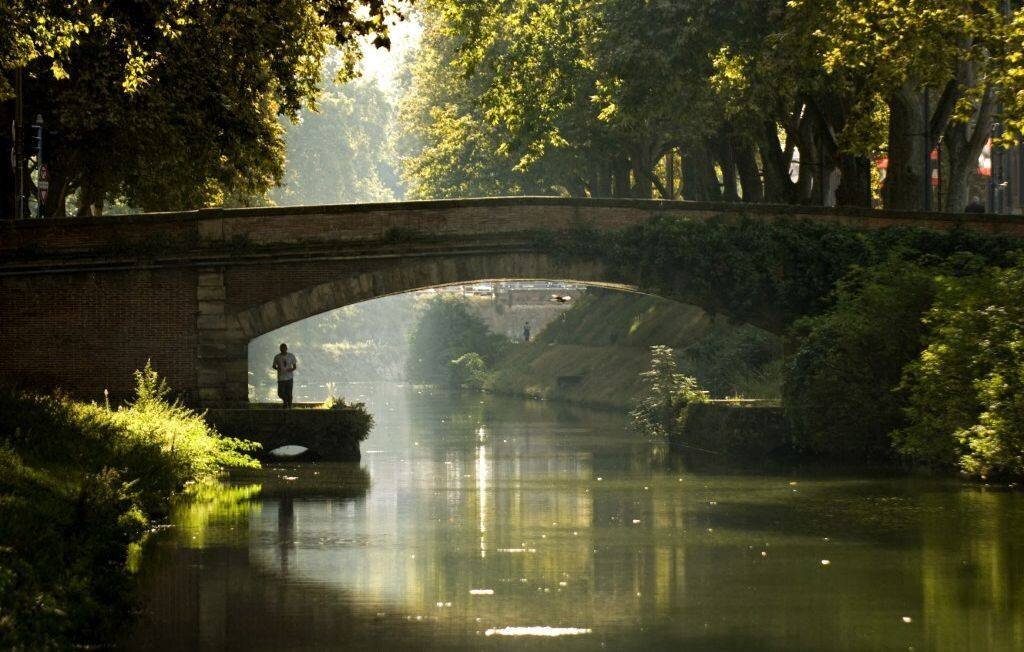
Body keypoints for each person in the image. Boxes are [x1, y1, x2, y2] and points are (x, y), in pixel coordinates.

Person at [272, 343, 298, 408]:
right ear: (280, 349)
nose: (283, 350)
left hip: (289, 377)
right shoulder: (277, 357)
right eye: (282, 348)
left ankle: (289, 405)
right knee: (280, 393)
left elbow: (295, 366)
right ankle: (285, 401)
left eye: (284, 348)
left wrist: (291, 369)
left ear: (286, 348)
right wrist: (277, 368)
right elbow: (274, 366)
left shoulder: (291, 356)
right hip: (281, 378)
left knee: (289, 393)